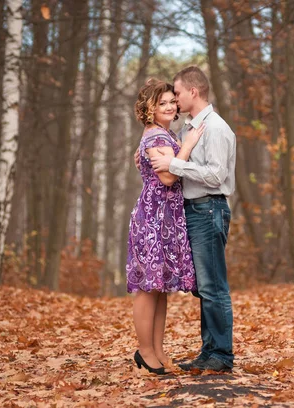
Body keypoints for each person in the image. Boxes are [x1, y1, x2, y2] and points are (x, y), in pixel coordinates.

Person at [150, 66, 236, 373]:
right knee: (204, 286)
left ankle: (222, 356)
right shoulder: (189, 129)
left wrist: (174, 164)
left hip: (210, 208)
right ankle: (209, 351)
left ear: (193, 92)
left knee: (213, 286)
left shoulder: (214, 128)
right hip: (194, 210)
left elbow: (216, 176)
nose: (174, 98)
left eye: (178, 92)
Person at [127, 78, 204, 375]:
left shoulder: (162, 134)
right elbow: (169, 178)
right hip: (153, 218)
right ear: (149, 108)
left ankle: (157, 350)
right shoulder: (156, 137)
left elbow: (167, 170)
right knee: (148, 288)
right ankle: (144, 350)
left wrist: (178, 151)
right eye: (163, 103)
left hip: (166, 217)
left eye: (173, 101)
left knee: (159, 288)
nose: (171, 106)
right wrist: (188, 146)